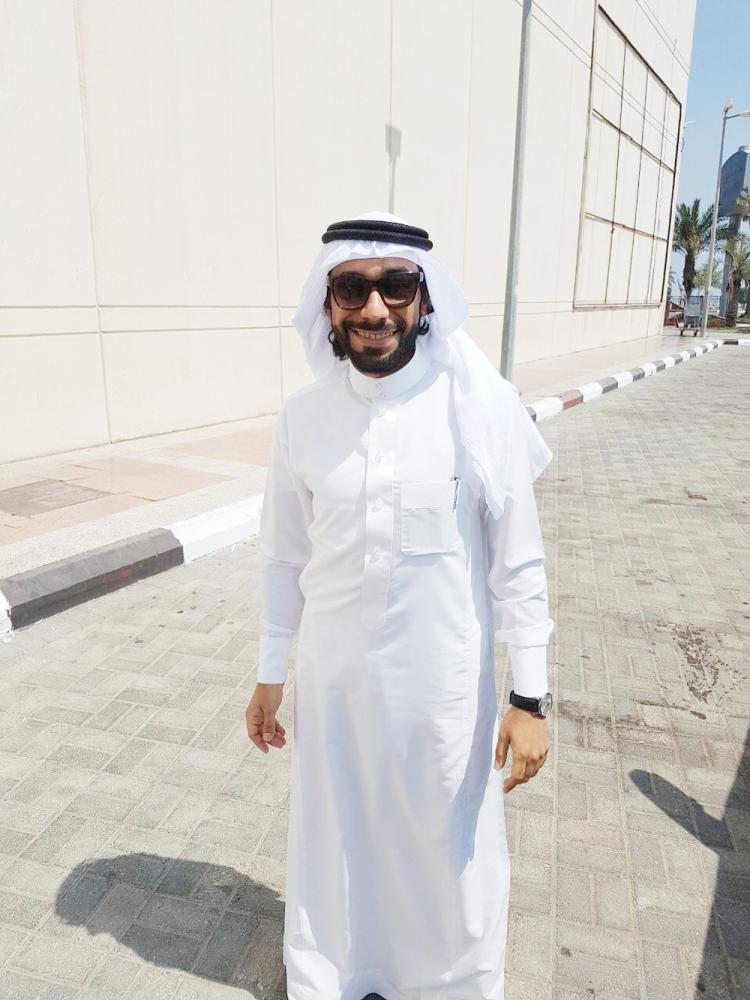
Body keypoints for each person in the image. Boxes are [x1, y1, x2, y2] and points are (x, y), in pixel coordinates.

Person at [245, 212, 555, 1000]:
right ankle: (336, 975)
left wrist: (530, 699)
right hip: (335, 690)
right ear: (328, 305)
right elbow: (284, 556)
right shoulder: (303, 418)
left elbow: (519, 562)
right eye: (352, 288)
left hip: (442, 693)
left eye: (396, 287)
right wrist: (271, 673)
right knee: (335, 838)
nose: (375, 308)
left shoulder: (478, 409)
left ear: (425, 298)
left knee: (447, 847)